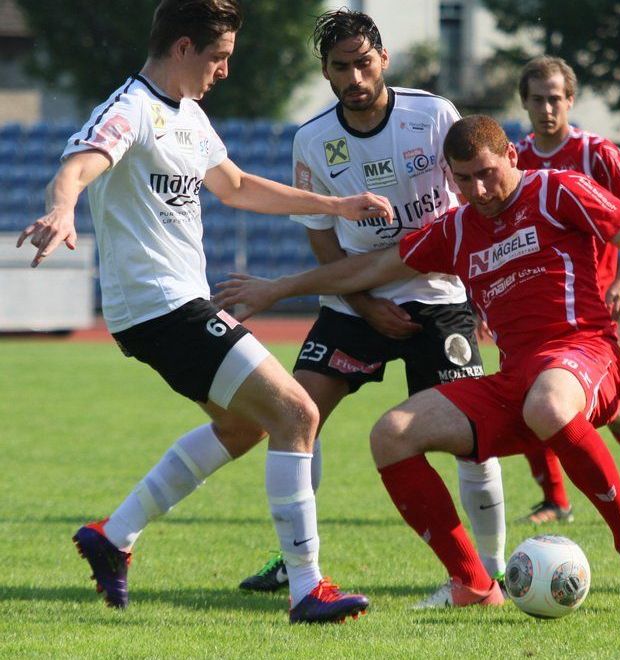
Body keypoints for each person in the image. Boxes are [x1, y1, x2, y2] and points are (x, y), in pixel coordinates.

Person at [213, 115, 620, 613]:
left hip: (583, 351)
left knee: (547, 402)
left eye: (488, 172)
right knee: (391, 434)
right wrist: (276, 289)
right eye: (463, 178)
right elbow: (366, 268)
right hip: (517, 378)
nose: (479, 189)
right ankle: (473, 582)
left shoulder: (559, 191)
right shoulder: (454, 229)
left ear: (512, 157)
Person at [16, 0, 393, 624]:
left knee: (248, 426)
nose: (223, 71)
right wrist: (62, 208)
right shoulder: (130, 108)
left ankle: (113, 537)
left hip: (175, 305)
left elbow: (238, 187)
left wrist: (340, 204)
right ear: (184, 48)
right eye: (218, 57)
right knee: (297, 410)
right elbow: (79, 164)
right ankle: (306, 588)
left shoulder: (189, 116)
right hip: (160, 307)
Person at [235, 8, 508, 609]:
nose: (356, 76)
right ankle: (297, 562)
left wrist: (482, 289)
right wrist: (362, 302)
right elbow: (321, 236)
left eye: (364, 62)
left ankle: (492, 571)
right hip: (354, 301)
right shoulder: (311, 140)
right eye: (342, 67)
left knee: (471, 439)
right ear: (327, 74)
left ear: (383, 59)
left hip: (438, 299)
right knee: (294, 413)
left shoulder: (433, 115)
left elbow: (473, 200)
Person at [513, 56, 620, 526]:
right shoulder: (514, 160)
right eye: (538, 99)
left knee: (609, 410)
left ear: (570, 100)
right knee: (528, 399)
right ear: (524, 102)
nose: (547, 108)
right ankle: (554, 498)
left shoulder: (597, 153)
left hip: (588, 305)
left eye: (556, 99)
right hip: (532, 303)